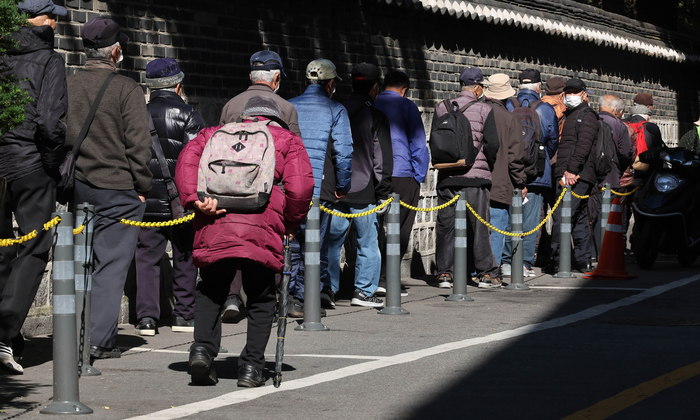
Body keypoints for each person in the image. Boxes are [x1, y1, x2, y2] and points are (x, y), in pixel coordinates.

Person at [175, 97, 314, 387]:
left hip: (216, 220)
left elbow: (185, 161)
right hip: (262, 224)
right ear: (275, 119)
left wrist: (195, 201)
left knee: (211, 289)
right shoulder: (286, 140)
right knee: (262, 296)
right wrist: (290, 223)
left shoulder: (212, 134)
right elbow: (300, 189)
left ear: (244, 117)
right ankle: (251, 367)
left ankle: (202, 350)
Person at [65, 17, 152, 360]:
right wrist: (142, 187)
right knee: (111, 266)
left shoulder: (68, 85)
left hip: (77, 187)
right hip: (117, 188)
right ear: (115, 51)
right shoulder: (126, 88)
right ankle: (98, 340)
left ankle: (73, 334)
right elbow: (138, 145)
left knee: (77, 263)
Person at [0, 0, 68, 374]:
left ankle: (9, 337)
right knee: (35, 246)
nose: (56, 24)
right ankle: (5, 330)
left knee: (1, 250)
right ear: (43, 21)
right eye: (53, 18)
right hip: (30, 163)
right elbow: (49, 122)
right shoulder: (48, 60)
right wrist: (52, 164)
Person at [218, 50, 300, 322]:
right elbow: (294, 154)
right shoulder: (286, 108)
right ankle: (265, 300)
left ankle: (231, 295)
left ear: (250, 76)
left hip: (231, 185)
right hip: (269, 187)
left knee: (235, 238)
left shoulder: (231, 105)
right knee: (266, 242)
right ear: (276, 78)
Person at [134, 58, 204, 336]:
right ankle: (184, 316)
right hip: (181, 201)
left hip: (146, 197)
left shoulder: (138, 112)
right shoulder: (189, 114)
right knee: (185, 257)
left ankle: (147, 318)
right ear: (178, 85)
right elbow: (196, 159)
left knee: (146, 258)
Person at [288, 59, 353, 314]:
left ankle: (288, 294)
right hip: (320, 189)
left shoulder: (288, 106)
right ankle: (307, 298)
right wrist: (343, 185)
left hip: (289, 186)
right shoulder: (335, 109)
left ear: (306, 82)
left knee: (292, 243)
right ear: (330, 84)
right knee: (316, 244)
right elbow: (344, 152)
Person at [329, 63, 392, 307]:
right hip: (364, 191)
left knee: (332, 242)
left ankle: (328, 289)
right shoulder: (376, 116)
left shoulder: (336, 110)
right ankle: (364, 291)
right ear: (375, 87)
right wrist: (384, 191)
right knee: (368, 242)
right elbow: (382, 159)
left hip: (335, 190)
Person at [433, 67, 500, 288]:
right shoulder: (483, 109)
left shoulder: (441, 107)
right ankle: (486, 273)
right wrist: (486, 165)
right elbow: (492, 144)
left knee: (446, 226)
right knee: (480, 225)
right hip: (475, 177)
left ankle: (444, 273)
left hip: (447, 175)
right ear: (478, 87)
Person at [373, 71, 430, 296]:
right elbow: (417, 144)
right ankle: (387, 278)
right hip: (402, 173)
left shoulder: (372, 103)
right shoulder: (407, 106)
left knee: (371, 228)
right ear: (404, 89)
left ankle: (370, 278)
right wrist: (418, 175)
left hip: (372, 174)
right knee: (401, 228)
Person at [502, 69, 559, 277]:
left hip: (510, 171)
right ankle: (524, 263)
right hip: (537, 173)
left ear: (518, 86)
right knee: (531, 220)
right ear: (539, 87)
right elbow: (553, 142)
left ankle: (505, 261)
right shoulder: (545, 109)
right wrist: (539, 159)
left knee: (509, 218)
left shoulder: (508, 105)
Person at [547, 78, 599, 273]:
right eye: (568, 92)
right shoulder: (570, 114)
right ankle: (583, 259)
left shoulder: (586, 116)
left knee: (563, 216)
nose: (571, 96)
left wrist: (572, 170)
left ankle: (560, 260)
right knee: (577, 218)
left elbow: (583, 145)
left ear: (584, 94)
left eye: (575, 92)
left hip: (575, 175)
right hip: (570, 173)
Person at [482, 73, 526, 274]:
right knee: (497, 229)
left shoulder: (474, 111)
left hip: (474, 181)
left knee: (474, 227)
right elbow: (515, 156)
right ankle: (492, 271)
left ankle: (473, 269)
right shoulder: (510, 119)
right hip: (500, 182)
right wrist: (519, 181)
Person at [588, 95, 632, 256]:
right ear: (615, 110)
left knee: (589, 215)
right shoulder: (619, 126)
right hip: (611, 177)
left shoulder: (589, 120)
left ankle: (591, 252)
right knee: (607, 216)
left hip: (589, 177)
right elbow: (625, 153)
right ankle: (605, 252)